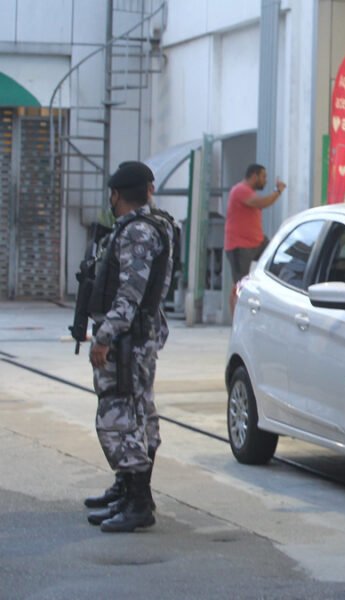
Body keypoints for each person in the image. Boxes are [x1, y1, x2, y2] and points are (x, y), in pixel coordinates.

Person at [83, 161, 176, 533]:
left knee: (120, 419)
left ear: (116, 194)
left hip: (128, 340)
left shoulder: (139, 232)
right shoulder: (150, 225)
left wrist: (104, 337)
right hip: (136, 337)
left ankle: (138, 503)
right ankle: (130, 490)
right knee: (137, 414)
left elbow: (130, 294)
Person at [224, 164, 286, 310]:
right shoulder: (240, 190)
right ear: (254, 176)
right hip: (240, 246)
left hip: (257, 243)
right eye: (263, 176)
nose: (265, 180)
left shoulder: (248, 191)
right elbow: (261, 203)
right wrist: (278, 191)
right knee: (240, 285)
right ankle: (235, 323)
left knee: (278, 259)